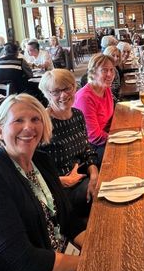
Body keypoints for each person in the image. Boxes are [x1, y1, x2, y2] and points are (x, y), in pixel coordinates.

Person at [0, 93, 87, 271]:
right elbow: (22, 262)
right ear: (0, 130)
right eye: (18, 120)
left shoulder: (41, 161)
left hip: (60, 261)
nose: (29, 127)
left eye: (35, 119)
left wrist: (97, 248)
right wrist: (89, 262)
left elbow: (69, 221)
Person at [39, 70, 100, 217]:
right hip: (59, 189)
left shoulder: (78, 115)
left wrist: (94, 175)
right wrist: (61, 181)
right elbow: (33, 168)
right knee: (103, 199)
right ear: (47, 94)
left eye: (67, 88)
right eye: (56, 91)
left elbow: (87, 150)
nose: (64, 95)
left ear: (74, 88)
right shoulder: (42, 123)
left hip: (83, 176)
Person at [73, 54, 115, 168]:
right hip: (90, 148)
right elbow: (94, 136)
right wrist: (117, 138)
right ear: (93, 73)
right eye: (104, 70)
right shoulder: (85, 98)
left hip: (105, 137)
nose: (110, 74)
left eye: (112, 70)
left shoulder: (106, 88)